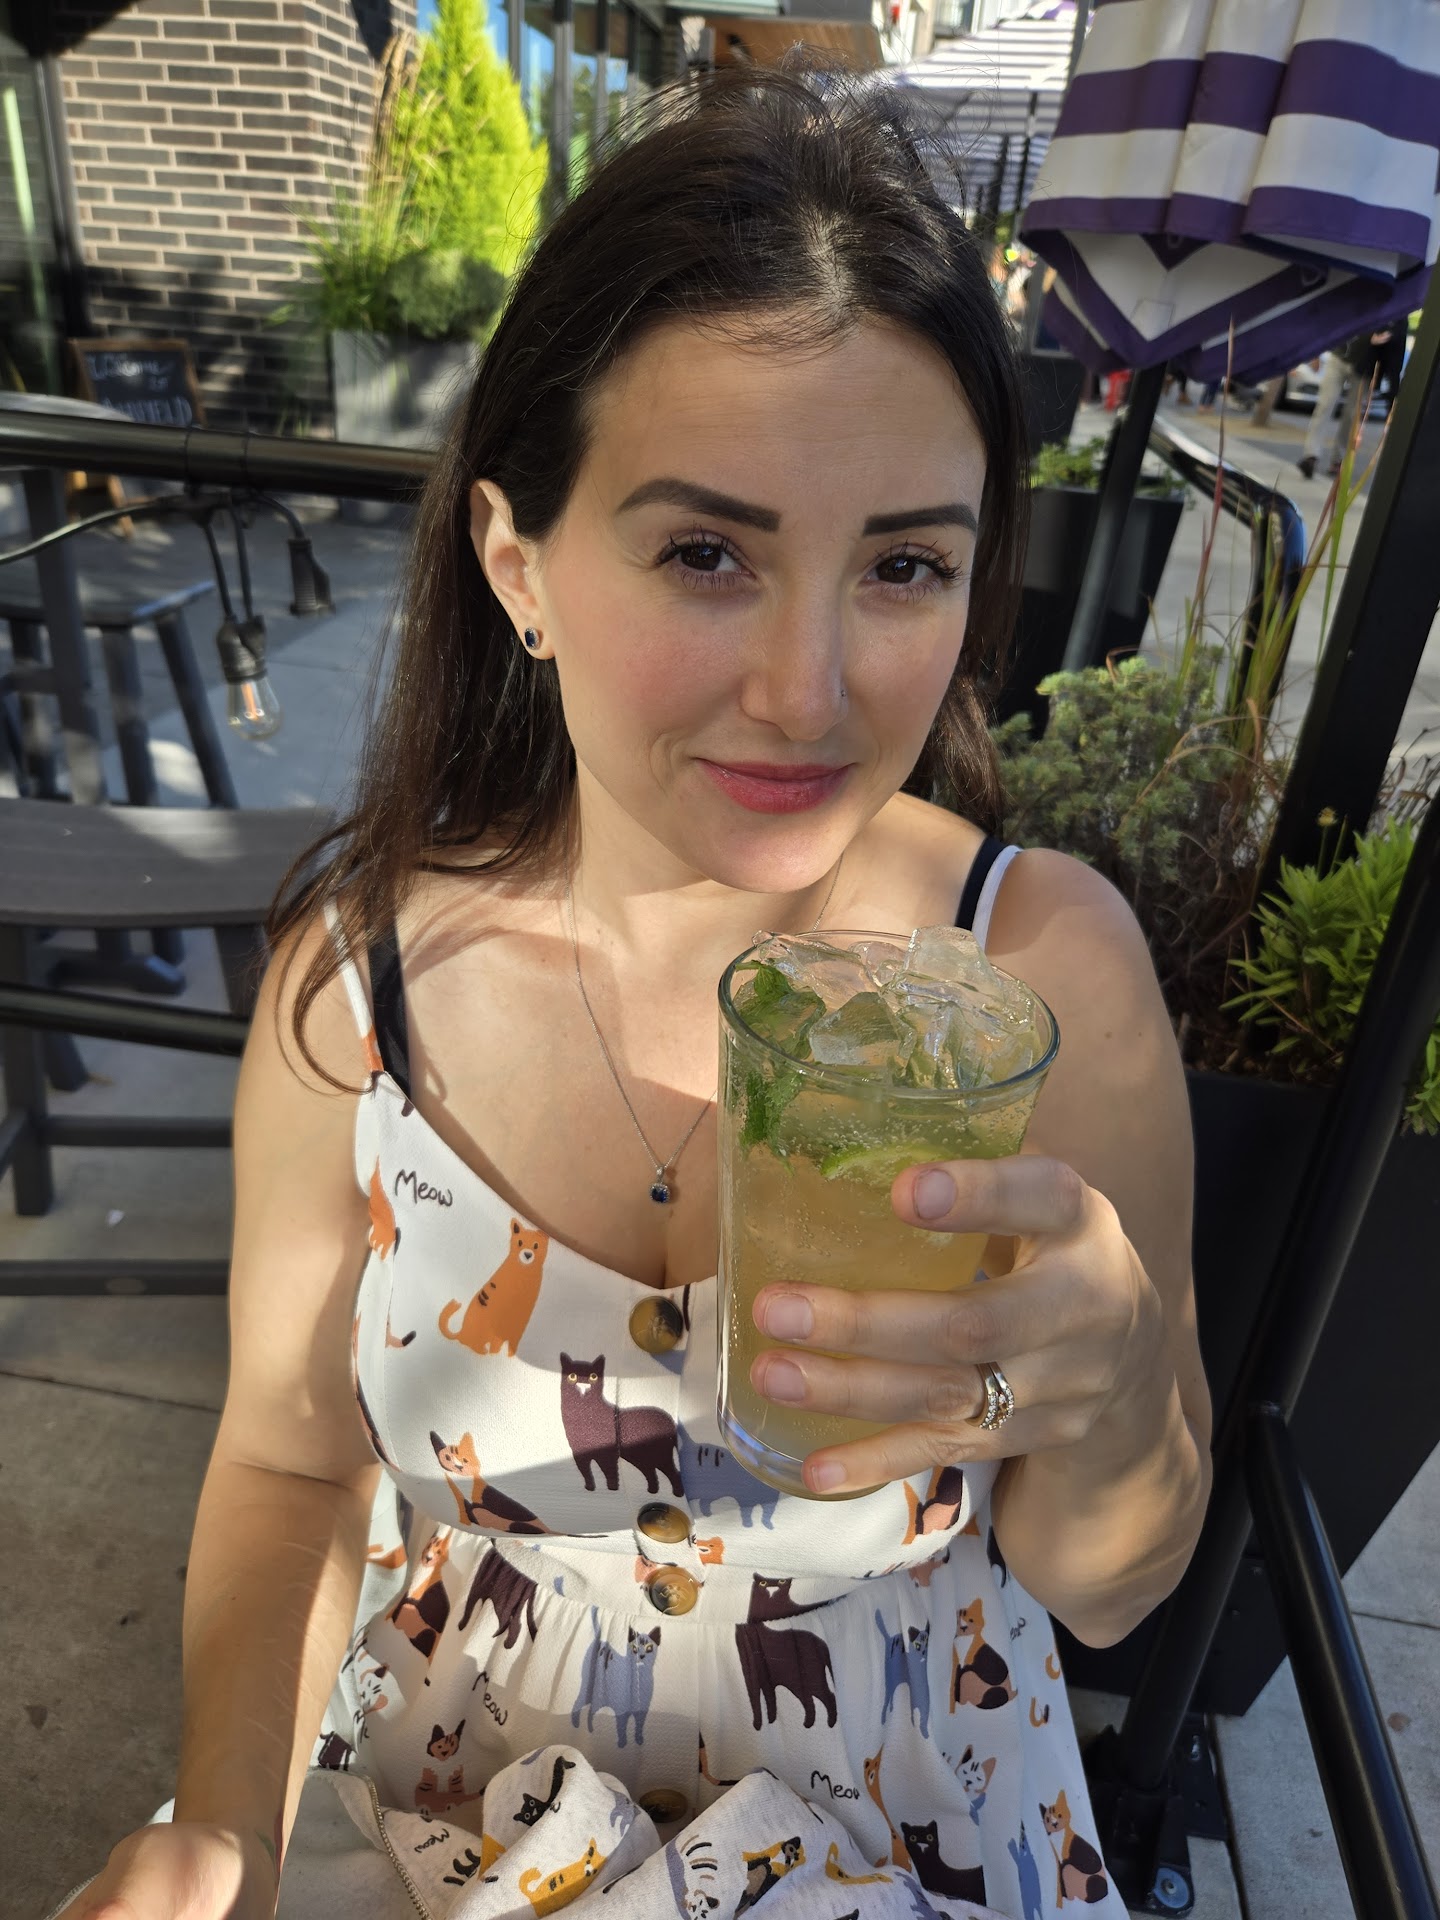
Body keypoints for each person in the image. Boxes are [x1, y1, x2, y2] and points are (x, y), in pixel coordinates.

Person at [57, 53, 1210, 1920]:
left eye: (904, 566)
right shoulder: (363, 987)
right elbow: (287, 1462)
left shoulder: (1040, 975)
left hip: (909, 1842)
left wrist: (1124, 1379)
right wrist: (226, 1829)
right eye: (705, 552)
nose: (809, 690)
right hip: (452, 1834)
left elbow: (1110, 1586)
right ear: (517, 563)